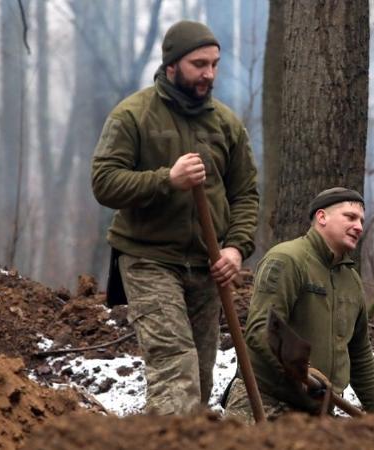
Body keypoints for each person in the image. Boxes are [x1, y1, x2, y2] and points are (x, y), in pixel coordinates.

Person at [91, 20, 259, 415]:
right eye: (199, 64)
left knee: (199, 379)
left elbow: (246, 194)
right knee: (175, 366)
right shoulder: (132, 116)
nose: (209, 74)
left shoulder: (226, 124)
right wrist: (167, 179)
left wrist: (236, 249)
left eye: (215, 64)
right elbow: (104, 183)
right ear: (171, 66)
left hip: (208, 264)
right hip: (149, 258)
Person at [224, 187, 374, 422]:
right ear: (322, 217)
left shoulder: (352, 281)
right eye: (350, 217)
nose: (359, 226)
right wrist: (302, 371)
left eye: (361, 220)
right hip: (264, 403)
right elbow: (260, 330)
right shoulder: (287, 259)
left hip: (318, 412)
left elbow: (359, 354)